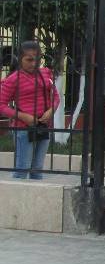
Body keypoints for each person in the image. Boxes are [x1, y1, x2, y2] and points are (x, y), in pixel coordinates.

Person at [0, 41, 60, 179]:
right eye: (29, 60)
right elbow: (1, 105)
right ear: (20, 59)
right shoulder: (13, 79)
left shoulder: (46, 74)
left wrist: (51, 111)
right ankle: (16, 198)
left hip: (44, 127)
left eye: (37, 60)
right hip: (23, 129)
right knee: (22, 168)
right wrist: (23, 116)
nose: (34, 64)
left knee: (37, 168)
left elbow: (56, 97)